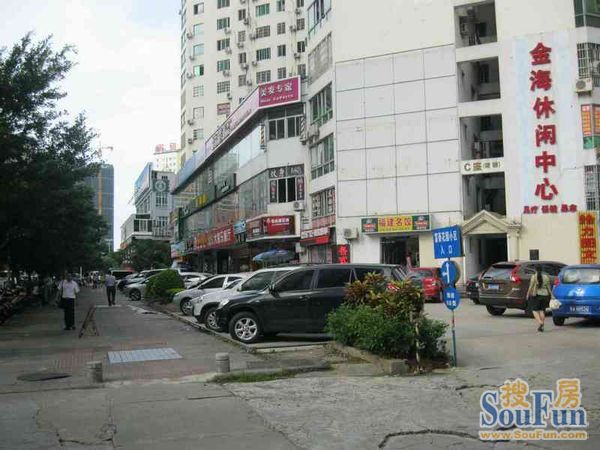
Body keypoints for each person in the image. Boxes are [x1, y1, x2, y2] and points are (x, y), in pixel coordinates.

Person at [526, 267, 552, 332]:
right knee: (542, 310)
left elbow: (531, 286)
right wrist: (551, 295)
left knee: (534, 310)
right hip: (545, 295)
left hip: (537, 295)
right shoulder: (546, 277)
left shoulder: (534, 277)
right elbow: (548, 287)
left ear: (535, 270)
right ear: (542, 270)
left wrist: (527, 294)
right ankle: (542, 327)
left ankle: (540, 322)